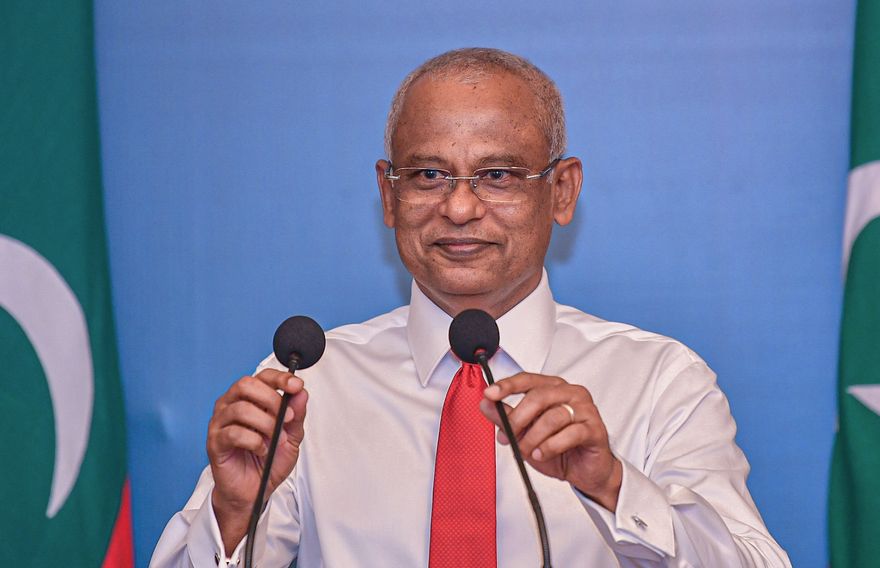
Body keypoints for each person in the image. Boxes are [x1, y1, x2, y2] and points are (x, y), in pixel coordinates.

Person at [151, 48, 791, 567]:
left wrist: (615, 488)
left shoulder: (658, 381)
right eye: (429, 175)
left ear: (562, 191)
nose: (459, 208)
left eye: (499, 175)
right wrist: (233, 516)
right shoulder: (306, 385)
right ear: (388, 195)